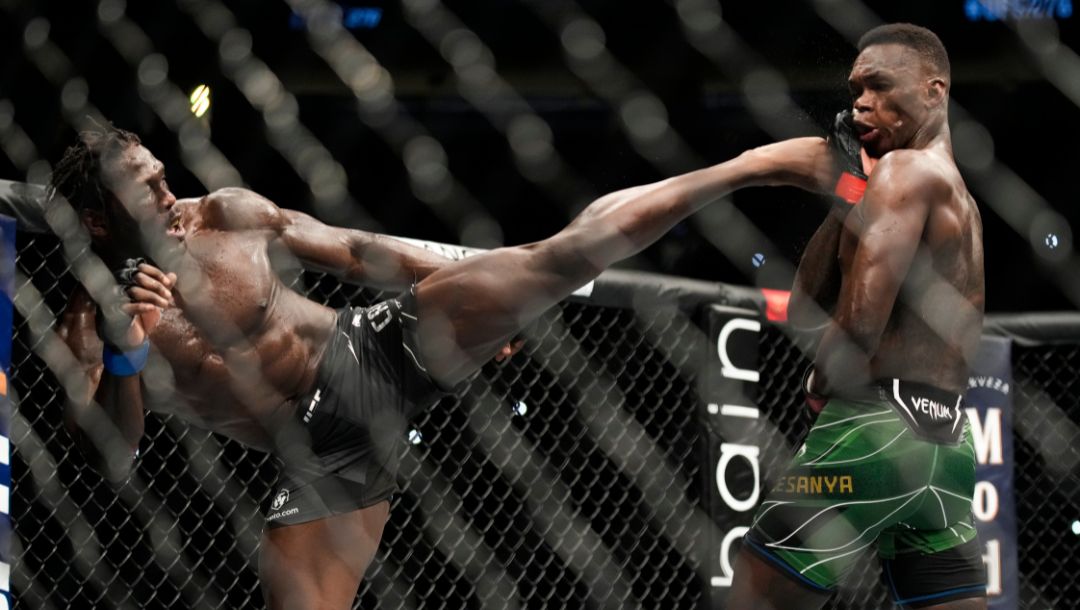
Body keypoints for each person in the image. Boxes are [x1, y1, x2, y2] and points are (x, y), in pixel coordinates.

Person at [50, 121, 836, 608]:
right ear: (97, 218)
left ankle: (749, 164)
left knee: (555, 259)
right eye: (144, 190)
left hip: (374, 354)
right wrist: (129, 352)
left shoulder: (224, 214)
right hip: (321, 455)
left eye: (162, 176)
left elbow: (356, 251)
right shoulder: (92, 319)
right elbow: (111, 452)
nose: (168, 194)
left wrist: (456, 289)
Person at [725, 24, 987, 609]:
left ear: (933, 91)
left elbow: (858, 322)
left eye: (880, 86)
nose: (861, 103)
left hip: (866, 438)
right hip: (948, 452)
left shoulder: (906, 172)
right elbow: (806, 302)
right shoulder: (957, 196)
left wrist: (820, 384)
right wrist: (852, 187)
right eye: (855, 90)